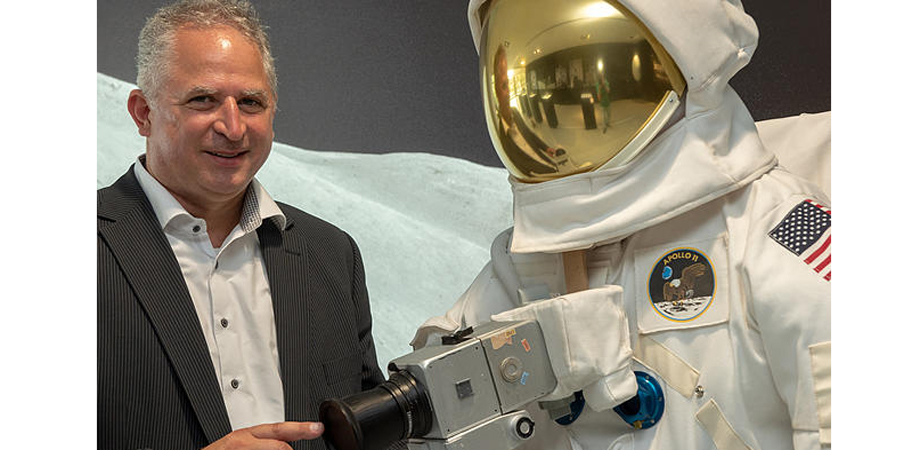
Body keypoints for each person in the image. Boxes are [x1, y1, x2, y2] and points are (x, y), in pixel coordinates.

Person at [412, 1, 831, 449]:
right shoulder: (528, 264)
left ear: (688, 53)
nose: (568, 101)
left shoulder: (775, 227)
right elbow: (440, 402)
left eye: (598, 68)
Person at [97, 1, 385, 449]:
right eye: (203, 100)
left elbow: (374, 436)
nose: (233, 127)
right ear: (143, 113)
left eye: (250, 102)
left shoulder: (331, 254)